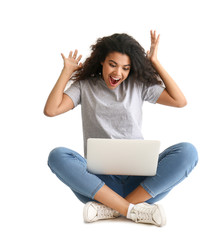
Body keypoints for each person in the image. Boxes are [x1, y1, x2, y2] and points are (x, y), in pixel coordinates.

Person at [44, 30, 198, 227]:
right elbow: (51, 110)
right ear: (102, 61)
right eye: (113, 64)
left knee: (187, 151)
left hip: (141, 186)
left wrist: (155, 62)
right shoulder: (85, 86)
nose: (118, 73)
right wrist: (66, 73)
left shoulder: (138, 85)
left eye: (125, 68)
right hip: (99, 185)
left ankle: (112, 209)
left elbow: (179, 101)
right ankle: (132, 210)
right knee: (57, 156)